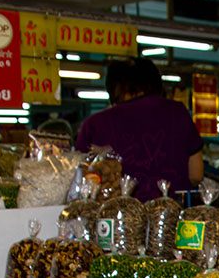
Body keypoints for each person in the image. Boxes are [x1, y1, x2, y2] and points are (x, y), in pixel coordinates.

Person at [76, 58, 204, 201]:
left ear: (114, 88)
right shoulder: (177, 112)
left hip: (114, 218)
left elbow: (80, 182)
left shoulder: (95, 124)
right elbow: (196, 174)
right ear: (155, 83)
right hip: (172, 216)